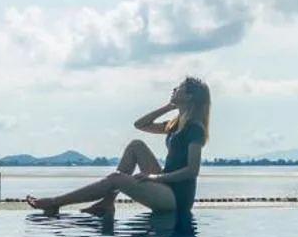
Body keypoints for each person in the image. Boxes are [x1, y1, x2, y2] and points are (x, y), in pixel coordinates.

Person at [26, 77, 210, 216]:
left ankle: (54, 202)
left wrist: (155, 177)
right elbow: (140, 125)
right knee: (135, 145)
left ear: (190, 96)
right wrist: (169, 107)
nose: (174, 88)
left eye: (180, 88)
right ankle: (108, 202)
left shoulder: (194, 127)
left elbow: (192, 171)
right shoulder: (175, 124)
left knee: (116, 178)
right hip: (166, 184)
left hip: (177, 197)